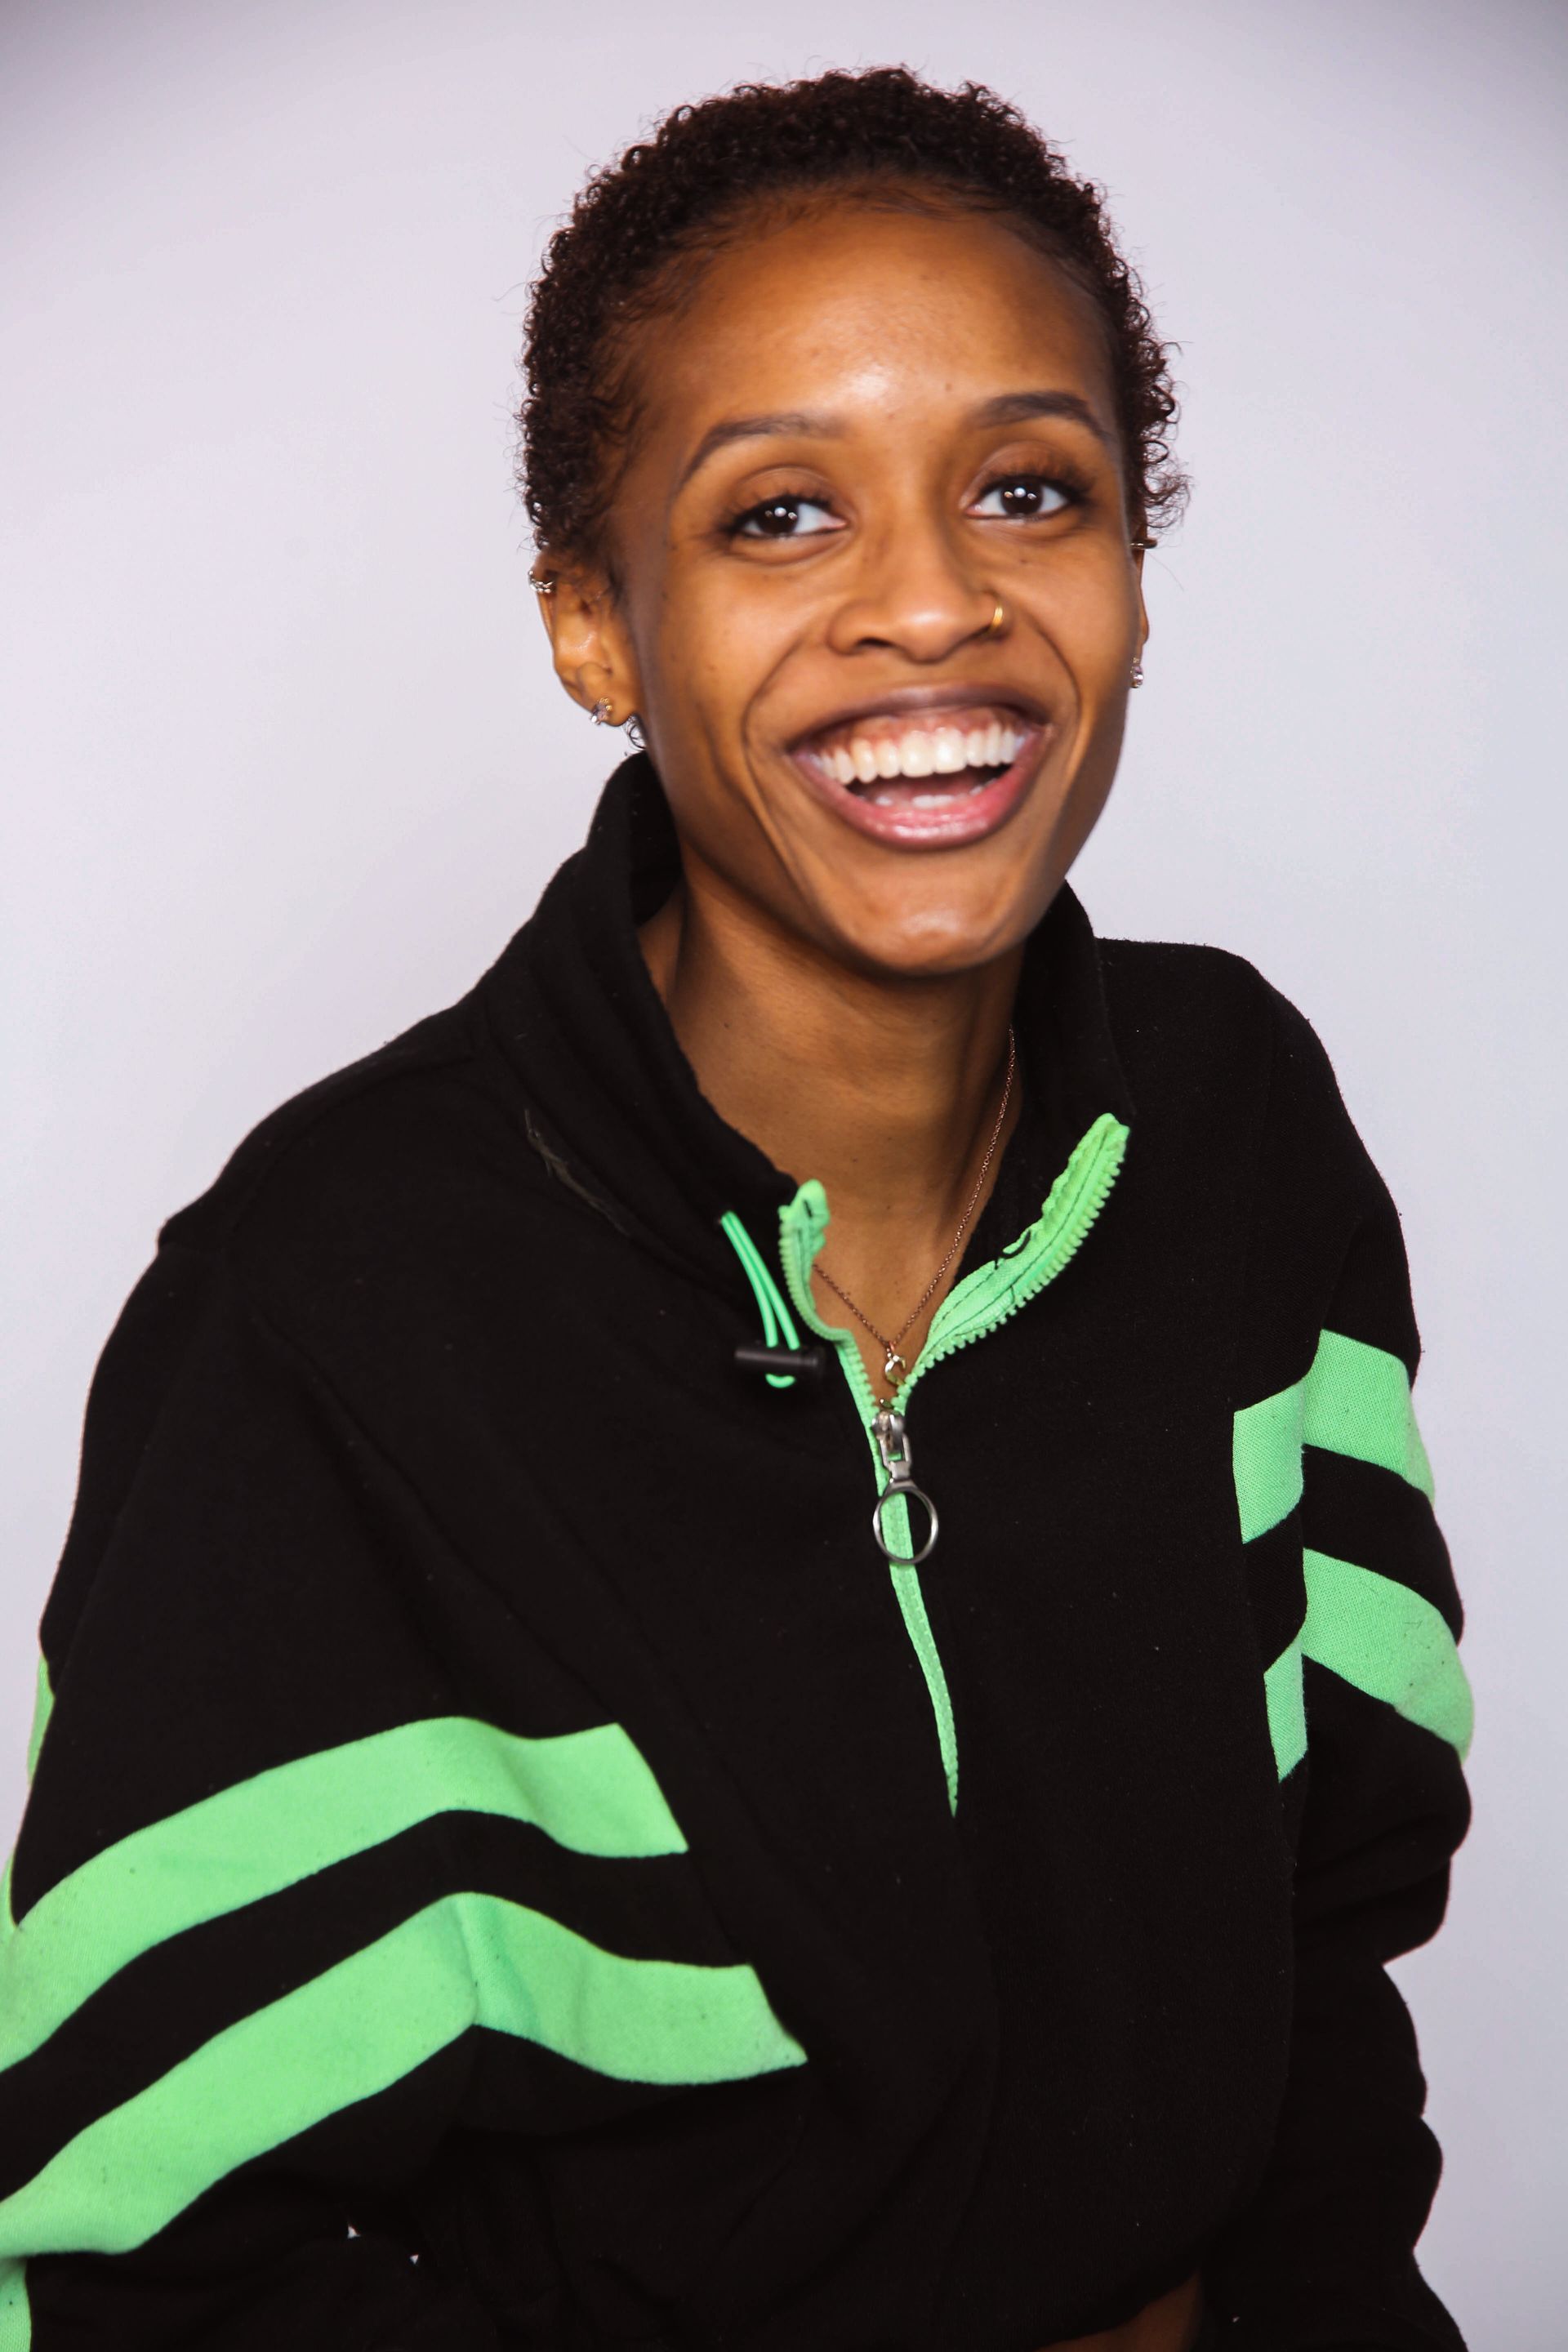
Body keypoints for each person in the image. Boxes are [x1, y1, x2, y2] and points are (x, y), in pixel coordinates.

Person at [0, 65, 1472, 2352]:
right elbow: (139, 2250)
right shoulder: (318, 1318)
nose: (933, 605)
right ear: (595, 623)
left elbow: (1328, 1953)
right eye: (780, 514)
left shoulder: (1239, 1130)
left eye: (1026, 487)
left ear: (1132, 570)